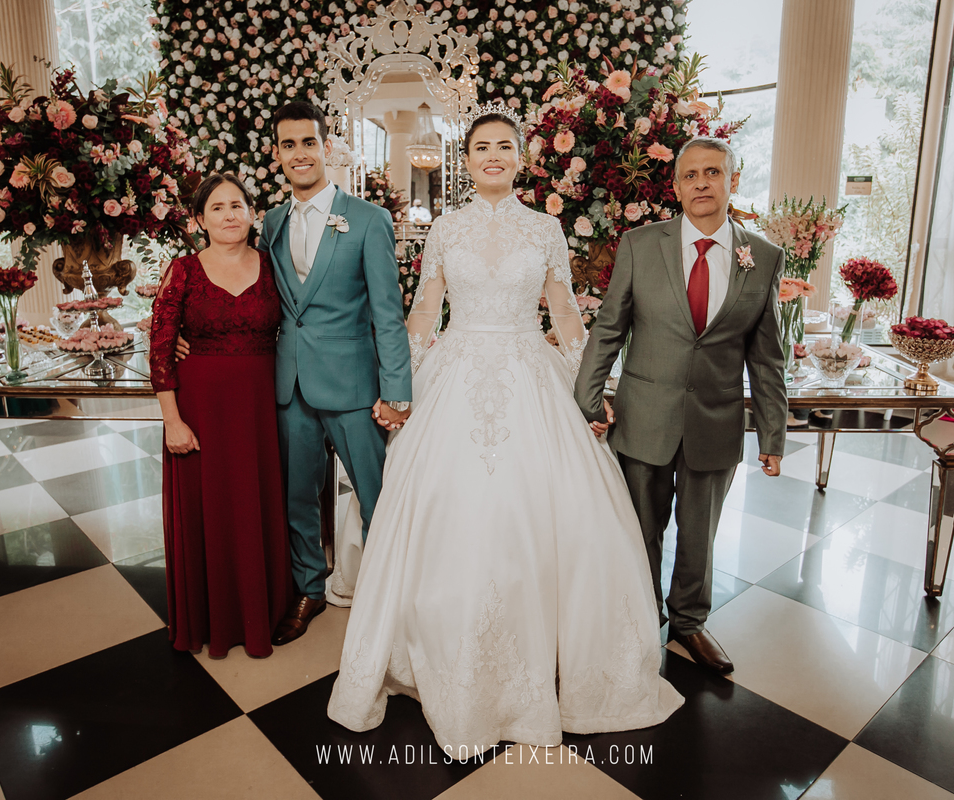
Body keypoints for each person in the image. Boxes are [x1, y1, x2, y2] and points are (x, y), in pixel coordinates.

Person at [327, 104, 683, 753]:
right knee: (443, 507)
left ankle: (547, 663)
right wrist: (398, 388)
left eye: (503, 146)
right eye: (482, 146)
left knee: (549, 512)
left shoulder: (545, 229)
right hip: (456, 372)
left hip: (529, 371)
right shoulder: (444, 230)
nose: (493, 154)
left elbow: (567, 314)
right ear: (468, 159)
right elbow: (424, 313)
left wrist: (588, 389)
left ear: (520, 158)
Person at [180, 101, 412, 645]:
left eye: (308, 142)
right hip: (288, 388)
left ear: (325, 147)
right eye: (288, 145)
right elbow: (252, 294)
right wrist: (191, 334)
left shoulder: (368, 220)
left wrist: (397, 391)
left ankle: (389, 597)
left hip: (355, 388)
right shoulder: (272, 225)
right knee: (294, 498)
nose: (299, 154)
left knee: (378, 496)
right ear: (277, 154)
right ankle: (309, 587)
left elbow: (388, 314)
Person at [574, 138, 789, 675]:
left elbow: (767, 359)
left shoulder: (761, 258)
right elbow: (609, 328)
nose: (701, 183)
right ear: (674, 187)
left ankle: (689, 623)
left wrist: (772, 435)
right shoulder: (640, 245)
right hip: (644, 416)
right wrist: (586, 397)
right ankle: (641, 621)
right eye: (690, 175)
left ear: (731, 181)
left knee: (700, 534)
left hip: (715, 423)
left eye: (712, 172)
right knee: (641, 530)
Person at [150, 172, 292, 659]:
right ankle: (209, 618)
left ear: (252, 214)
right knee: (207, 509)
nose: (230, 215)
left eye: (238, 205)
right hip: (200, 410)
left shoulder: (274, 265)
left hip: (259, 411)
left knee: (257, 505)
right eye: (217, 208)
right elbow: (161, 348)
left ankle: (261, 613)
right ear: (199, 219)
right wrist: (172, 420)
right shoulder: (184, 269)